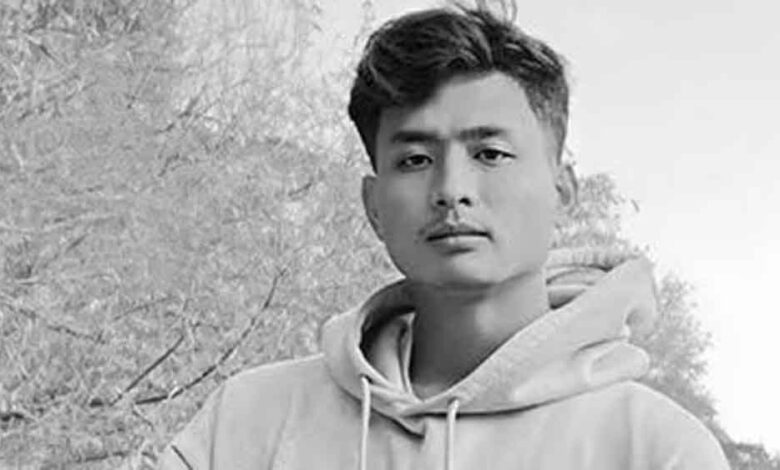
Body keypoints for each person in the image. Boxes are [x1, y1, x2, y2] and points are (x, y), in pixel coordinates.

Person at [159, 5, 730, 470]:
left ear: (562, 190)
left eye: (490, 154)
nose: (451, 190)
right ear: (373, 206)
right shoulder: (247, 423)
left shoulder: (657, 449)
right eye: (414, 159)